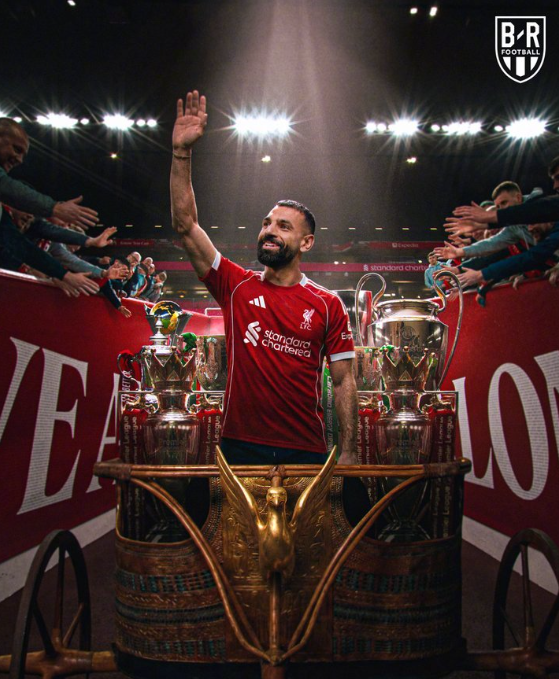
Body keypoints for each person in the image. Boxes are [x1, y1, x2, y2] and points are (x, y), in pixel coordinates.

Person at [170, 90, 358, 465]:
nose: (269, 230)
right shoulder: (235, 285)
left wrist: (350, 452)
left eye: (283, 226)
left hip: (305, 449)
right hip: (239, 447)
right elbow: (186, 226)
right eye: (266, 223)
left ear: (306, 242)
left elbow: (343, 381)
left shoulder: (328, 305)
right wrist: (181, 154)